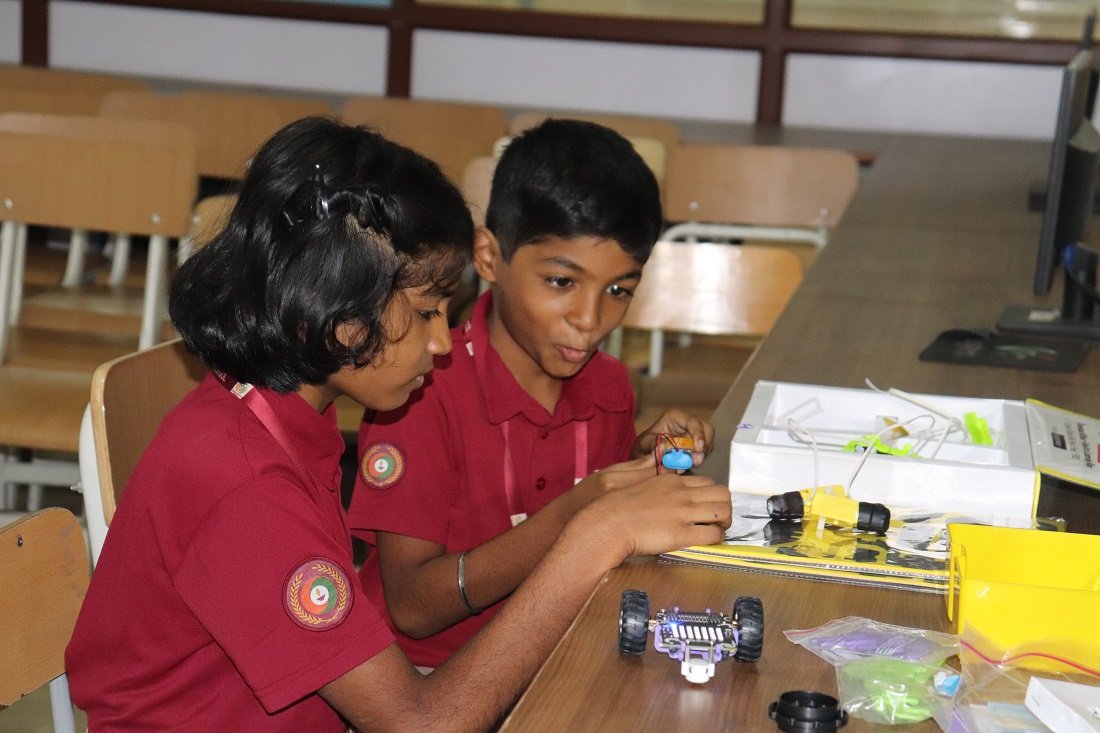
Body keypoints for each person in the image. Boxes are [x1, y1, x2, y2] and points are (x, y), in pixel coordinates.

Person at [64, 116, 731, 732]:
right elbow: (420, 725)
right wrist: (593, 535)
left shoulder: (282, 418)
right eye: (427, 311)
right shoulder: (242, 482)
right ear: (337, 308)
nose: (441, 344)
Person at [346, 118, 718, 669]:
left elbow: (607, 539)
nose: (589, 319)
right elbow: (414, 609)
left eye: (619, 290)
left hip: (556, 663)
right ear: (489, 257)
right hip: (428, 677)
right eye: (562, 282)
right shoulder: (418, 391)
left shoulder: (610, 387)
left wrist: (646, 461)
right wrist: (581, 515)